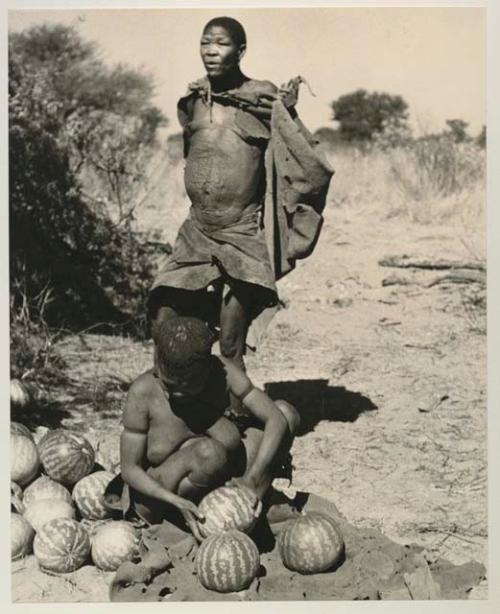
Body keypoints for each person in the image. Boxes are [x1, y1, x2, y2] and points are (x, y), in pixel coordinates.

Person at [148, 16, 333, 415]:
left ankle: (237, 425)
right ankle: (175, 417)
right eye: (205, 43)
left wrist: (286, 115)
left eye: (221, 44)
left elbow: (298, 149)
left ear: (241, 51)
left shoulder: (263, 97)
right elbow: (191, 148)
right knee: (164, 318)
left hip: (242, 233)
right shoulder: (195, 100)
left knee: (231, 342)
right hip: (196, 231)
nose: (211, 51)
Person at [113, 316, 300, 540]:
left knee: (287, 414)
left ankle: (250, 503)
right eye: (169, 385)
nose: (177, 394)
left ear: (208, 368)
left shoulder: (222, 372)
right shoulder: (143, 393)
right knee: (208, 452)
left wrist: (254, 479)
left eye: (189, 387)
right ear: (157, 369)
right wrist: (176, 501)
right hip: (163, 494)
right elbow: (130, 470)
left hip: (219, 480)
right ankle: (184, 520)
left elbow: (276, 419)